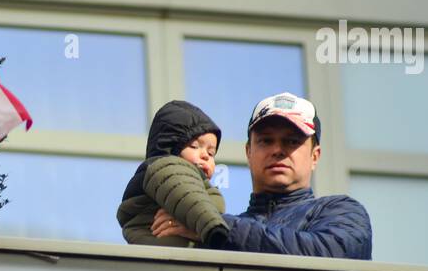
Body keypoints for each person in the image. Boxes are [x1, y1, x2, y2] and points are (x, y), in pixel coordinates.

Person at [150, 92, 373, 259]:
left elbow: (331, 253)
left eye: (292, 141)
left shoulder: (342, 210)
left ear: (315, 156)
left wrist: (211, 227)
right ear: (249, 152)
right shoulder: (215, 228)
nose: (278, 150)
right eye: (266, 140)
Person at [117, 100, 229, 248]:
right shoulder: (167, 168)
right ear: (170, 148)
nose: (205, 156)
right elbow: (191, 197)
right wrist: (213, 227)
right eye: (194, 146)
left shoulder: (199, 188)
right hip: (162, 259)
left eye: (211, 152)